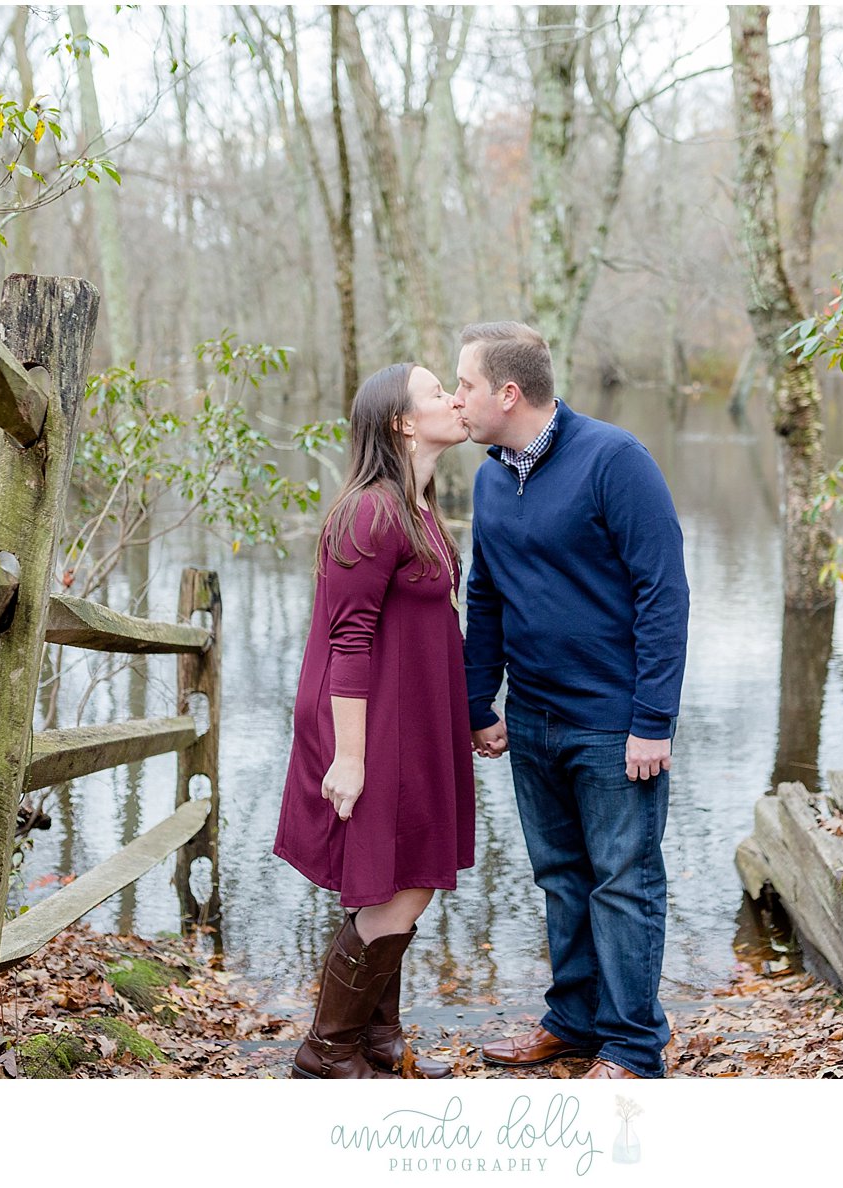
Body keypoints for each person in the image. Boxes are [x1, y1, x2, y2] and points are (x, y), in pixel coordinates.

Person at [456, 321, 690, 1081]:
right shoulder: (492, 475)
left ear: (507, 392)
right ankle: (575, 1023)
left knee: (623, 880)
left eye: (464, 385)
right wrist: (478, 700)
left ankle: (631, 1047)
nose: (456, 399)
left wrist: (651, 720)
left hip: (612, 722)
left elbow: (663, 594)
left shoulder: (614, 461)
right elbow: (484, 592)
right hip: (532, 716)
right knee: (560, 875)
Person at [274, 362, 475, 1079]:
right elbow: (348, 640)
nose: (454, 399)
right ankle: (325, 1053)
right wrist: (350, 757)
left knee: (401, 875)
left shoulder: (417, 507)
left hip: (415, 717)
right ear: (401, 422)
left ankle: (375, 1042)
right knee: (405, 881)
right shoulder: (371, 511)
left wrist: (470, 715)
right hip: (369, 721)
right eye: (435, 393)